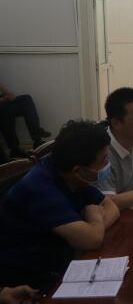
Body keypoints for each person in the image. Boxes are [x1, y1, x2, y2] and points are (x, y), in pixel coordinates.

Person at [0, 120, 120, 289]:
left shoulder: (73, 176)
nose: (107, 164)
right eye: (104, 159)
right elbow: (91, 239)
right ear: (79, 170)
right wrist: (94, 219)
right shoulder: (39, 187)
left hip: (61, 264)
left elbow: (111, 207)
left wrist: (94, 227)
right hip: (26, 282)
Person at [0, 83, 50, 159]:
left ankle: (37, 140)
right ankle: (14, 150)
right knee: (5, 112)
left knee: (26, 99)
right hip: (2, 104)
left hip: (4, 100)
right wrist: (4, 99)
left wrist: (8, 93)